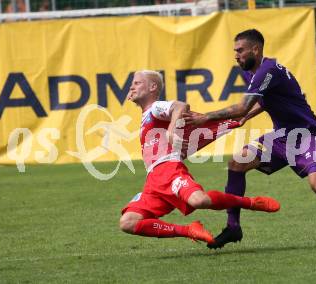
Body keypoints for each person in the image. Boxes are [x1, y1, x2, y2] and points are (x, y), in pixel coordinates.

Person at [184, 29, 316, 248]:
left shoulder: (268, 70)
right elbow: (264, 101)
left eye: (240, 50)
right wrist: (246, 116)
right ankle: (233, 227)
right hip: (281, 137)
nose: (236, 55)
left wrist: (206, 117)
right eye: (235, 51)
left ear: (255, 49)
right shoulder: (253, 71)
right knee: (237, 162)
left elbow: (241, 106)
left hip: (306, 135)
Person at [119, 70, 280, 244]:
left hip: (169, 171)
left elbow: (180, 106)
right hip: (154, 181)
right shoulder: (146, 116)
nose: (132, 86)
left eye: (137, 83)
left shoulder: (155, 108)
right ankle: (189, 230)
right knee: (128, 222)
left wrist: (172, 131)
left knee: (200, 200)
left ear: (152, 87)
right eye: (132, 84)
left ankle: (250, 202)